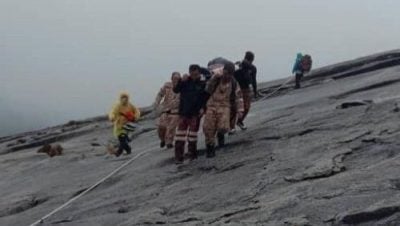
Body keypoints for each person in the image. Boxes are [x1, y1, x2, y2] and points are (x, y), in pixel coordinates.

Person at [203, 62, 244, 158]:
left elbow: (239, 96)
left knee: (223, 127)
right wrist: (213, 79)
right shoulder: (216, 78)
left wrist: (240, 110)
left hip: (225, 106)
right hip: (212, 105)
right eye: (225, 73)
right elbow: (207, 90)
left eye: (229, 74)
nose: (226, 76)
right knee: (208, 127)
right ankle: (210, 147)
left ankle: (220, 135)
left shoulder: (234, 83)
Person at [173, 65, 207, 164]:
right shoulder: (185, 82)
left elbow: (205, 98)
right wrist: (180, 80)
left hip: (195, 113)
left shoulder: (202, 84)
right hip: (183, 112)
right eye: (192, 74)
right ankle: (179, 158)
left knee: (192, 136)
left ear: (199, 73)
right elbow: (176, 90)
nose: (194, 76)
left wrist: (203, 109)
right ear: (189, 73)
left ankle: (192, 155)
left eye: (196, 74)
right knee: (179, 136)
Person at [154, 72, 181, 149]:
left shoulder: (182, 86)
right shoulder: (167, 86)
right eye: (175, 78)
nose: (176, 80)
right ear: (171, 78)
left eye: (178, 78)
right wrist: (157, 103)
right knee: (161, 127)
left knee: (171, 128)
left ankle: (169, 142)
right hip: (165, 110)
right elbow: (160, 94)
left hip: (176, 111)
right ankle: (163, 140)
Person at [108, 92, 141, 157]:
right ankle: (123, 151)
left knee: (123, 140)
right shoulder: (117, 106)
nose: (124, 99)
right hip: (119, 126)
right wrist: (112, 117)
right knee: (122, 139)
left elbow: (136, 111)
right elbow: (112, 112)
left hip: (127, 126)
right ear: (120, 98)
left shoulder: (130, 105)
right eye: (123, 97)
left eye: (125, 97)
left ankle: (123, 151)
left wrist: (136, 116)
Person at [233, 51, 258, 131]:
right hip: (236, 89)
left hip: (246, 89)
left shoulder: (253, 68)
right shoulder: (237, 65)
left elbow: (254, 80)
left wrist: (255, 91)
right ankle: (231, 126)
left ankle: (239, 121)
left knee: (246, 107)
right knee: (235, 108)